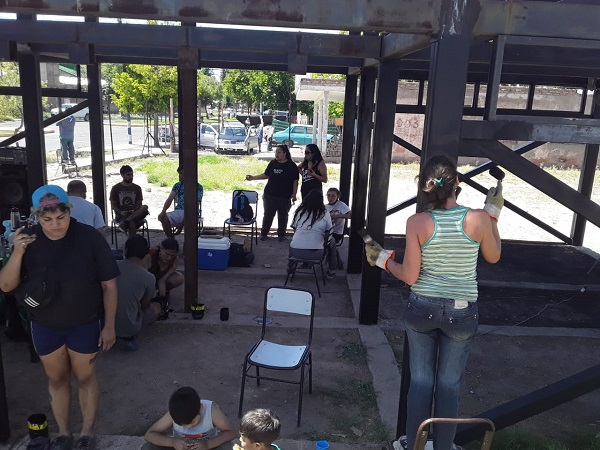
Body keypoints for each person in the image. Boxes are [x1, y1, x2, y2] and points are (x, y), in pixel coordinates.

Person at [364, 156, 502, 450]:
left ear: (424, 189)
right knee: (449, 385)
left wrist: (383, 260)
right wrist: (492, 216)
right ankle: (443, 447)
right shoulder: (477, 218)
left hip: (422, 308)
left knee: (421, 383)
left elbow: (411, 276)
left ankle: (415, 444)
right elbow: (493, 256)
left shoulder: (416, 222)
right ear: (457, 184)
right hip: (462, 311)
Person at [0, 185, 119, 450]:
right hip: (45, 325)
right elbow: (6, 286)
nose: (55, 225)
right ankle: (64, 433)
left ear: (69, 211)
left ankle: (87, 433)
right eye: (47, 219)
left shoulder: (89, 238)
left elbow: (109, 285)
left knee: (86, 378)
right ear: (37, 217)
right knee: (57, 379)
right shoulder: (27, 240)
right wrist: (17, 251)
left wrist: (110, 325)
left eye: (61, 217)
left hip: (85, 322)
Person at [144, 386, 237, 450]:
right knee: (148, 447)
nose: (188, 427)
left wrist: (207, 444)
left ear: (200, 408)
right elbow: (149, 435)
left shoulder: (211, 410)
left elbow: (232, 433)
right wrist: (172, 442)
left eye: (192, 422)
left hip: (208, 447)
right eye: (183, 424)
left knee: (228, 447)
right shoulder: (175, 412)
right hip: (180, 447)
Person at [115, 235, 161, 352]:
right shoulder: (148, 277)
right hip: (129, 328)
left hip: (103, 324)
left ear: (125, 249)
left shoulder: (111, 265)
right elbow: (145, 304)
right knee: (156, 307)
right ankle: (131, 335)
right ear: (146, 254)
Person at [245, 144, 298, 242]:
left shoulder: (291, 165)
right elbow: (266, 175)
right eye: (275, 152)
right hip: (269, 195)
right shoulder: (273, 163)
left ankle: (281, 235)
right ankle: (264, 233)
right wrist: (253, 178)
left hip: (284, 196)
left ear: (285, 153)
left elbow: (295, 181)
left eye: (279, 152)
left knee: (283, 215)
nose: (276, 154)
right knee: (268, 215)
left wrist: (294, 194)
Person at [288, 189, 333, 278]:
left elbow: (294, 229)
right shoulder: (325, 213)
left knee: (294, 240)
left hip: (295, 253)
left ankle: (290, 269)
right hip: (316, 254)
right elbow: (329, 231)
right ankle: (331, 270)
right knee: (332, 241)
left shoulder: (299, 212)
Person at [158, 166, 204, 238]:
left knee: (190, 222)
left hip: (192, 212)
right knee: (164, 218)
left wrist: (181, 225)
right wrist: (163, 211)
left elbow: (195, 205)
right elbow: (170, 199)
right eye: (180, 174)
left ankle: (190, 245)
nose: (181, 176)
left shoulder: (198, 187)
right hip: (179, 211)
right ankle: (171, 239)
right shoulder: (177, 185)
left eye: (183, 174)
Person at [109, 165, 150, 236]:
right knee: (131, 223)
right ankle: (132, 244)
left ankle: (125, 222)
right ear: (122, 175)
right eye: (128, 175)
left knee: (145, 207)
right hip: (121, 215)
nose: (131, 177)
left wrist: (134, 210)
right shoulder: (115, 188)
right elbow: (113, 206)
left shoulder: (137, 188)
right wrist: (121, 212)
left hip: (135, 213)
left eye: (132, 175)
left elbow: (139, 204)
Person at [148, 238, 184, 311]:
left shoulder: (175, 260)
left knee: (179, 278)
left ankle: (162, 294)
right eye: (167, 254)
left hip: (159, 280)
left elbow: (162, 280)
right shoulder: (150, 255)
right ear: (161, 248)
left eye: (172, 255)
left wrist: (162, 300)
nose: (169, 258)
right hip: (146, 281)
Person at [324, 187, 351, 275]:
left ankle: (333, 265)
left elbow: (350, 215)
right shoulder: (325, 207)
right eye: (328, 196)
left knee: (329, 243)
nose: (330, 198)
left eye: (333, 196)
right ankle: (337, 262)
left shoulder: (341, 205)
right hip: (326, 230)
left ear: (337, 197)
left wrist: (337, 216)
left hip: (336, 232)